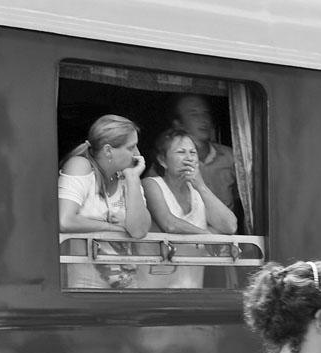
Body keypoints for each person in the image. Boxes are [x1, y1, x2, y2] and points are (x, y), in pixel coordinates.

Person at [58, 114, 149, 289]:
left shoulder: (128, 175)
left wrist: (132, 178)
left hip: (127, 286)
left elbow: (139, 231)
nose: (137, 154)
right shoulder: (80, 165)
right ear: (108, 151)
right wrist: (114, 228)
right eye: (131, 147)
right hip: (83, 288)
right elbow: (65, 220)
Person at [141, 128, 237, 289]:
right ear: (162, 160)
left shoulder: (197, 191)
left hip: (191, 289)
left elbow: (230, 226)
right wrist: (206, 236)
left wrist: (201, 185)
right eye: (181, 152)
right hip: (153, 290)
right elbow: (169, 224)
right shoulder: (151, 184)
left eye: (193, 152)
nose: (189, 158)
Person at [171, 94, 239, 213]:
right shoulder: (168, 160)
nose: (203, 120)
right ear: (179, 124)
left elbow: (243, 198)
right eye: (194, 114)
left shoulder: (231, 157)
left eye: (206, 113)